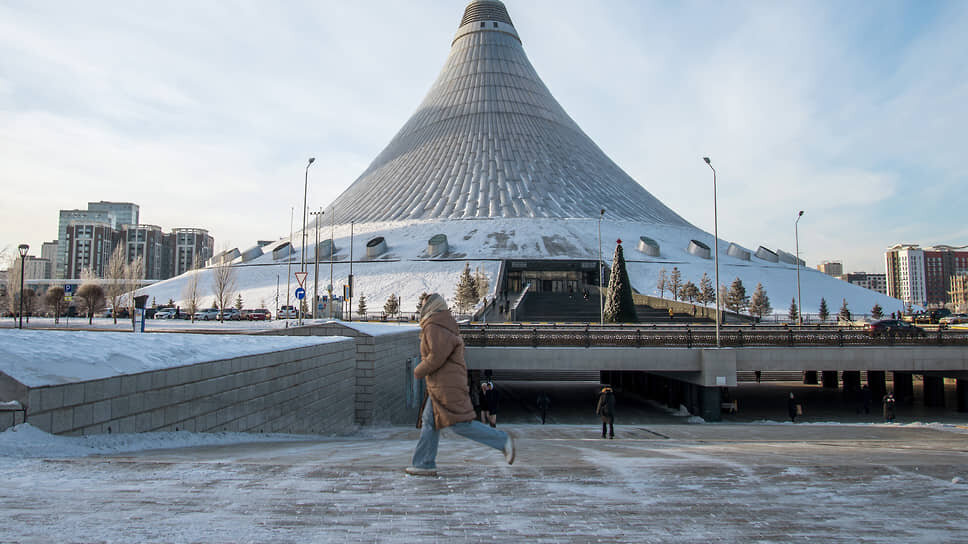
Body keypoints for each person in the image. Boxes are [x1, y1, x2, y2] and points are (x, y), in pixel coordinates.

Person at [406, 294, 515, 476]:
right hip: (443, 383)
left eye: (424, 304)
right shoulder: (443, 323)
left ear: (432, 306)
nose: (421, 307)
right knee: (430, 423)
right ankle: (424, 463)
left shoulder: (434, 326)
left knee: (460, 424)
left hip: (445, 384)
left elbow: (437, 356)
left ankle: (502, 440)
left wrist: (419, 370)